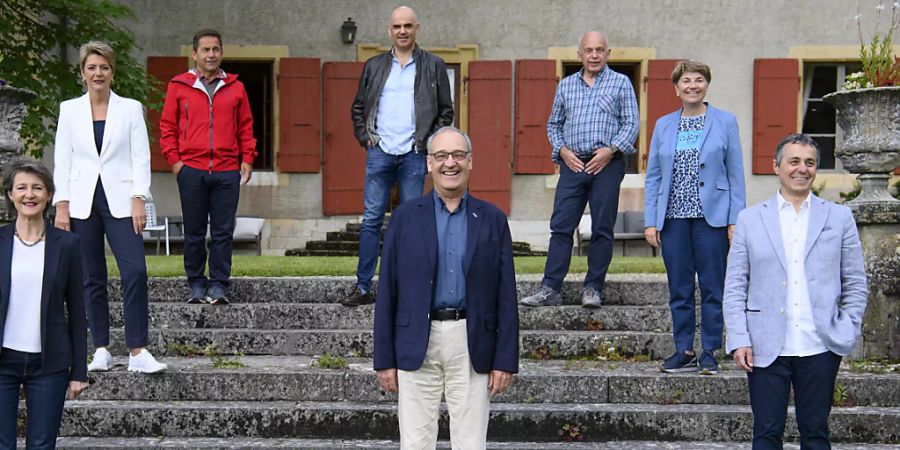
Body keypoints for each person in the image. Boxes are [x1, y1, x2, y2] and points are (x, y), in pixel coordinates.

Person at [373, 127, 518, 448]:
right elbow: (387, 292)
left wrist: (504, 360)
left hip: (472, 340)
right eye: (441, 156)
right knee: (415, 442)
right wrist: (384, 358)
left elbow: (506, 294)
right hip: (415, 343)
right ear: (429, 164)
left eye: (458, 155)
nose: (449, 163)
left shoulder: (492, 219)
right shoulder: (404, 218)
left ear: (470, 162)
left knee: (470, 442)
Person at [724, 134, 868, 449]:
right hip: (765, 346)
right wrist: (739, 338)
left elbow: (856, 281)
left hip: (820, 344)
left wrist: (848, 325)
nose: (802, 169)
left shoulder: (839, 217)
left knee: (816, 433)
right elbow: (735, 285)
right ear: (777, 166)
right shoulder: (749, 219)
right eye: (794, 161)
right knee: (766, 433)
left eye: (809, 162)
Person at [53, 41, 166, 374]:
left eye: (104, 67)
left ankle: (137, 351)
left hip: (121, 201)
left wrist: (138, 198)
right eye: (92, 67)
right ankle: (100, 348)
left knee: (135, 272)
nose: (98, 73)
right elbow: (63, 159)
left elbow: (140, 156)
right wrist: (62, 204)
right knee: (91, 277)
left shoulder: (129, 109)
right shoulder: (69, 109)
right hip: (81, 202)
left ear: (112, 72)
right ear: (83, 73)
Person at [342, 5, 454, 307]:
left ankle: (408, 288)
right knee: (371, 221)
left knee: (411, 223)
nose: (402, 31)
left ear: (417, 28)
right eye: (397, 27)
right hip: (380, 152)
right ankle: (363, 286)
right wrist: (366, 139)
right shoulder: (375, 65)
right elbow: (358, 108)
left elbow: (446, 111)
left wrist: (430, 143)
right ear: (389, 30)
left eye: (408, 26)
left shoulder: (433, 65)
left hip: (415, 154)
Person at [520, 31, 639, 309]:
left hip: (606, 165)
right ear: (580, 55)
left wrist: (610, 151)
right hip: (572, 164)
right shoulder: (566, 86)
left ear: (608, 54)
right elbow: (553, 125)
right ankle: (550, 289)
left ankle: (593, 288)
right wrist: (562, 151)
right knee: (561, 227)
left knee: (602, 228)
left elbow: (631, 124)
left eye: (600, 50)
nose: (594, 55)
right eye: (589, 50)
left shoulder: (621, 83)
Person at [643, 60, 745, 375]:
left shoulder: (725, 122)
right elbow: (654, 176)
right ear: (677, 88)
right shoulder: (663, 125)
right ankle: (684, 350)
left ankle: (710, 351)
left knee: (713, 286)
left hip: (711, 218)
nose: (692, 86)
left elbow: (735, 173)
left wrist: (734, 219)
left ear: (706, 85)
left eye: (698, 80)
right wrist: (651, 220)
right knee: (680, 288)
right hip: (673, 219)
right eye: (686, 81)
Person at [160, 28, 257, 305]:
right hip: (191, 169)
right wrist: (176, 161)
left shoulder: (236, 87)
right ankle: (196, 284)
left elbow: (246, 126)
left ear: (221, 53)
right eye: (205, 49)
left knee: (223, 232)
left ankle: (218, 284)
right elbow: (167, 126)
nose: (211, 54)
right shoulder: (179, 86)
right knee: (193, 231)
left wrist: (247, 158)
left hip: (227, 170)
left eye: (215, 49)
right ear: (195, 54)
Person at [0, 158, 88, 450]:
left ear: (49, 195)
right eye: (22, 187)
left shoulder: (67, 244)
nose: (30, 194)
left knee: (41, 444)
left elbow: (77, 312)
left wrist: (79, 372)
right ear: (10, 194)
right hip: (3, 361)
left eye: (38, 188)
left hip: (48, 364)